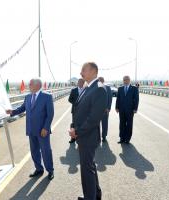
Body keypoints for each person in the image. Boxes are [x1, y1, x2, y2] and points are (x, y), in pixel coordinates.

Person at [69, 62, 107, 200]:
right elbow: (78, 110)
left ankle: (89, 197)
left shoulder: (99, 89)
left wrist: (77, 131)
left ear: (93, 71)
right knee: (89, 167)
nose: (81, 73)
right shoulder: (87, 87)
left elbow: (94, 118)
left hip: (88, 136)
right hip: (83, 135)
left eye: (83, 70)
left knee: (87, 170)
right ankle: (95, 195)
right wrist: (73, 126)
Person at [6, 78, 55, 180]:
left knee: (46, 151)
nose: (29, 85)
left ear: (37, 85)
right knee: (34, 151)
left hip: (42, 130)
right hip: (31, 129)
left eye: (30, 84)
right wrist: (12, 112)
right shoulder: (28, 96)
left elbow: (50, 115)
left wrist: (46, 128)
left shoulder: (47, 97)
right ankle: (39, 169)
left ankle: (50, 170)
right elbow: (22, 108)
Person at [115, 75, 139, 144]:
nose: (126, 81)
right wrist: (117, 107)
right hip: (121, 110)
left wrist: (135, 108)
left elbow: (136, 99)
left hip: (130, 110)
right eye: (124, 80)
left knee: (129, 124)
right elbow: (118, 99)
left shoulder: (134, 88)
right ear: (123, 81)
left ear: (129, 80)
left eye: (127, 79)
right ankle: (122, 138)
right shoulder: (120, 88)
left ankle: (127, 139)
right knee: (121, 124)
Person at [68, 78, 85, 143]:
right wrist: (75, 103)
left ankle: (81, 138)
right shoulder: (73, 90)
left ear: (84, 83)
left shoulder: (86, 90)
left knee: (82, 124)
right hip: (75, 110)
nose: (80, 83)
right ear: (77, 83)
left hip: (83, 111)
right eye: (79, 82)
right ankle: (73, 138)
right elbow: (69, 99)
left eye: (82, 82)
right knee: (74, 124)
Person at [98, 77, 112, 142]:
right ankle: (97, 137)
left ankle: (104, 136)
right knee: (96, 125)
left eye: (101, 80)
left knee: (105, 124)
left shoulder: (108, 88)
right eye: (99, 80)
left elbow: (110, 99)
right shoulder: (94, 88)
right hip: (96, 111)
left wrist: (108, 108)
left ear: (103, 81)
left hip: (105, 110)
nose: (100, 81)